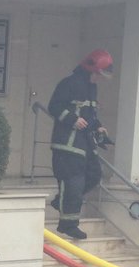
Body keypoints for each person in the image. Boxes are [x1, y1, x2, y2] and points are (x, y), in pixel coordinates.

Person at [48, 49, 114, 240]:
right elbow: (54, 107)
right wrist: (72, 119)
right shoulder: (69, 84)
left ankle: (62, 200)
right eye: (99, 74)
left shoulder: (91, 87)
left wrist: (98, 126)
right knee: (74, 183)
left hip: (84, 143)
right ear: (92, 70)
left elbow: (89, 114)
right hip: (67, 145)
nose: (100, 78)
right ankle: (68, 225)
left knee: (94, 175)